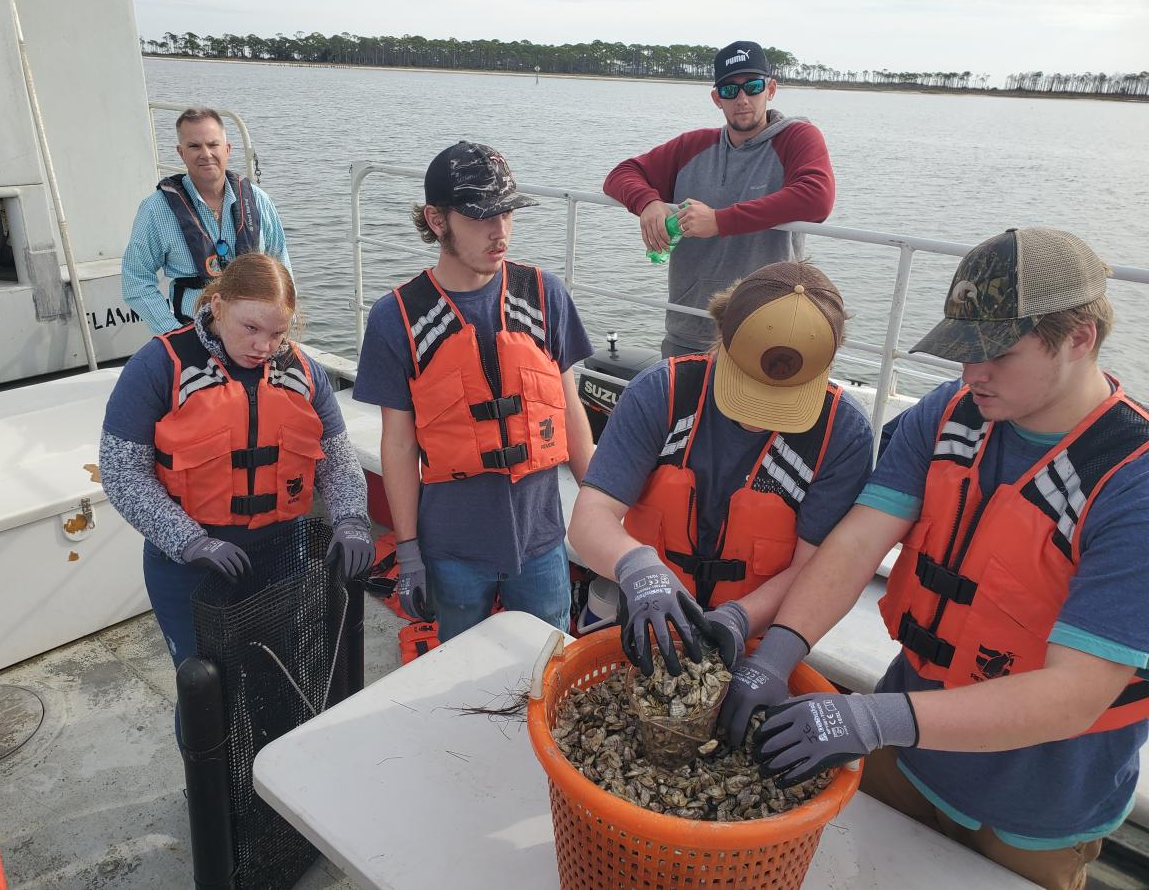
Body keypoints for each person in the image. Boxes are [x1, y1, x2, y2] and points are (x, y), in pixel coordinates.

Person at [721, 229, 1148, 890]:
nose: (971, 374)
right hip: (906, 759)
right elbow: (861, 539)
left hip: (1036, 813)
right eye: (962, 352)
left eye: (997, 354)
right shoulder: (948, 415)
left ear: (1079, 339)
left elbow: (1074, 697)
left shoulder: (1133, 483)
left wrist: (870, 717)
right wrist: (777, 652)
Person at [569, 261, 874, 677]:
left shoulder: (844, 434)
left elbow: (814, 568)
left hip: (758, 638)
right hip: (650, 609)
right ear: (721, 337)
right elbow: (590, 519)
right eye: (746, 390)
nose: (759, 416)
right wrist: (637, 567)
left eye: (782, 400)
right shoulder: (663, 392)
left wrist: (740, 618)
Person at [352, 141, 594, 641]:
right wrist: (409, 549)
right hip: (452, 550)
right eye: (482, 216)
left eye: (506, 212)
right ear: (436, 220)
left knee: (546, 666)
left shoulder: (546, 295)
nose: (500, 230)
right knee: (458, 671)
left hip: (542, 539)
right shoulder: (395, 317)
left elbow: (571, 413)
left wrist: (603, 515)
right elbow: (397, 445)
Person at [100, 252, 373, 686]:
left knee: (280, 678)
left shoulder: (303, 372)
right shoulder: (157, 367)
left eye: (277, 333)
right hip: (192, 569)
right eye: (250, 328)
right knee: (206, 688)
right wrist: (189, 541)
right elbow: (121, 472)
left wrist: (352, 518)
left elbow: (337, 459)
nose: (263, 346)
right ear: (219, 305)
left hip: (283, 556)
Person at [603, 41, 835, 358]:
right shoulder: (693, 146)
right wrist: (648, 202)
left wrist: (718, 221)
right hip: (688, 328)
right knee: (679, 408)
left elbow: (817, 199)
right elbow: (621, 173)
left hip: (768, 327)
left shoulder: (797, 138)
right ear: (716, 98)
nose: (742, 99)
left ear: (771, 89)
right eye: (729, 90)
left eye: (752, 87)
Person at [122, 106, 292, 334]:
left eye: (213, 145)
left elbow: (283, 269)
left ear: (228, 149)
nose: (206, 154)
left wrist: (278, 330)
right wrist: (173, 333)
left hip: (255, 338)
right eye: (194, 146)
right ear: (181, 152)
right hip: (192, 332)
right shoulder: (156, 210)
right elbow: (135, 280)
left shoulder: (259, 202)